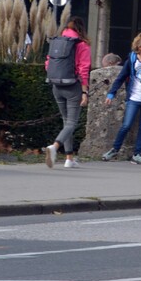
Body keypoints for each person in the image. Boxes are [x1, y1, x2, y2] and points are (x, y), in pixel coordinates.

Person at [102, 32, 141, 165]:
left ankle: (137, 154)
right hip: (133, 99)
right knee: (126, 125)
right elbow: (120, 78)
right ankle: (114, 149)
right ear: (139, 47)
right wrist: (111, 94)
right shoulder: (131, 61)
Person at [43, 16, 92, 169]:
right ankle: (55, 147)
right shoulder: (82, 44)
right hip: (73, 87)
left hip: (56, 86)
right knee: (71, 123)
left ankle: (69, 159)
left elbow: (47, 64)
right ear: (81, 29)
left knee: (66, 122)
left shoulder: (57, 42)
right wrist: (84, 92)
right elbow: (84, 69)